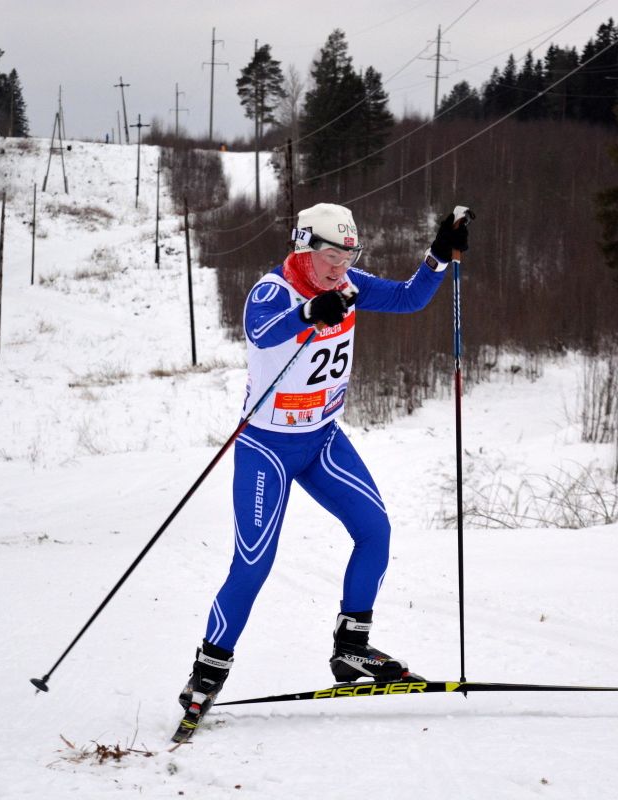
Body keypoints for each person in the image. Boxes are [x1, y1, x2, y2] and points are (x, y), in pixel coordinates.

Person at [178, 202, 471, 725]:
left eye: (348, 254)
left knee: (374, 530)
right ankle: (208, 672)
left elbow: (408, 300)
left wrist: (438, 258)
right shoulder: (274, 291)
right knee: (254, 562)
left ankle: (351, 645)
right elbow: (261, 331)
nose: (340, 265)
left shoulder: (349, 284)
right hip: (267, 448)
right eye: (331, 254)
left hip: (322, 441)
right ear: (303, 246)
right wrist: (310, 313)